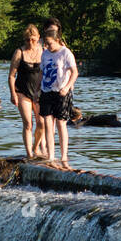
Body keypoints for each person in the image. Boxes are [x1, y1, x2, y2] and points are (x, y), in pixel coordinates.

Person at [38, 28, 77, 168]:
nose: (47, 46)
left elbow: (74, 73)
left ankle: (64, 156)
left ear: (57, 40)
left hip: (62, 92)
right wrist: (38, 90)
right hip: (46, 91)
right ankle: (50, 156)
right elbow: (41, 73)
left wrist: (66, 87)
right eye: (46, 43)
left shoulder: (65, 53)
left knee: (61, 124)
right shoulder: (45, 54)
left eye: (50, 43)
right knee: (48, 124)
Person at [9, 25, 44, 159]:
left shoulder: (43, 51)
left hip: (39, 92)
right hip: (22, 91)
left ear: (38, 38)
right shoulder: (19, 52)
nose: (30, 42)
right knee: (28, 123)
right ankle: (29, 153)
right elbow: (11, 75)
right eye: (27, 40)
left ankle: (36, 147)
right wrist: (13, 94)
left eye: (33, 40)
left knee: (41, 123)